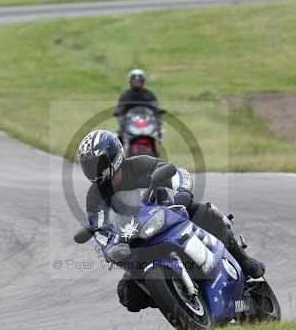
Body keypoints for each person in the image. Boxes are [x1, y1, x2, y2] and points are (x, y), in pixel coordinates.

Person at [78, 129, 265, 313]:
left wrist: (182, 191)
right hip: (135, 243)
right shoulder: (95, 196)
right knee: (127, 294)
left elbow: (175, 173)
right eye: (88, 166)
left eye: (98, 163)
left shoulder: (138, 165)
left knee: (204, 211)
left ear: (113, 155)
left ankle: (243, 259)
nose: (93, 170)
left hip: (169, 216)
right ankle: (175, 297)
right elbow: (99, 228)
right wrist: (110, 247)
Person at [114, 69, 163, 141]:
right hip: (131, 122)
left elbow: (155, 105)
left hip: (146, 122)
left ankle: (156, 145)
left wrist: (158, 110)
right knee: (121, 122)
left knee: (157, 122)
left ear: (143, 81)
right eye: (134, 80)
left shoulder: (149, 94)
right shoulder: (125, 95)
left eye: (139, 81)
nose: (136, 82)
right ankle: (122, 140)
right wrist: (119, 111)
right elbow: (121, 107)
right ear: (130, 81)